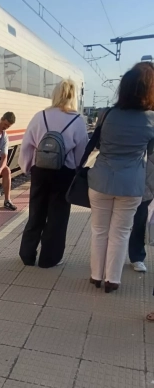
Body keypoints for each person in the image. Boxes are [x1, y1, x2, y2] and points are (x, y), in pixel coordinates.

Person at [88, 62, 154, 293]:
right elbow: (151, 154)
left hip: (100, 180)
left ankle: (96, 276)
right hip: (131, 184)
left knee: (99, 230)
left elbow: (97, 144)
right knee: (121, 232)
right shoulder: (151, 119)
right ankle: (112, 280)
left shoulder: (106, 114)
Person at [18, 79, 88, 268]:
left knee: (36, 212)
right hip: (64, 173)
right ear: (73, 97)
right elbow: (82, 152)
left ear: (55, 94)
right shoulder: (77, 120)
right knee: (58, 216)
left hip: (40, 171)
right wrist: (77, 169)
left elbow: (27, 145)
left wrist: (27, 167)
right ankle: (49, 259)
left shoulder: (40, 116)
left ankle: (27, 255)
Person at [129, 151, 154, 272]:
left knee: (140, 223)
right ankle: (108, 256)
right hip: (123, 187)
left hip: (147, 191)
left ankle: (137, 257)